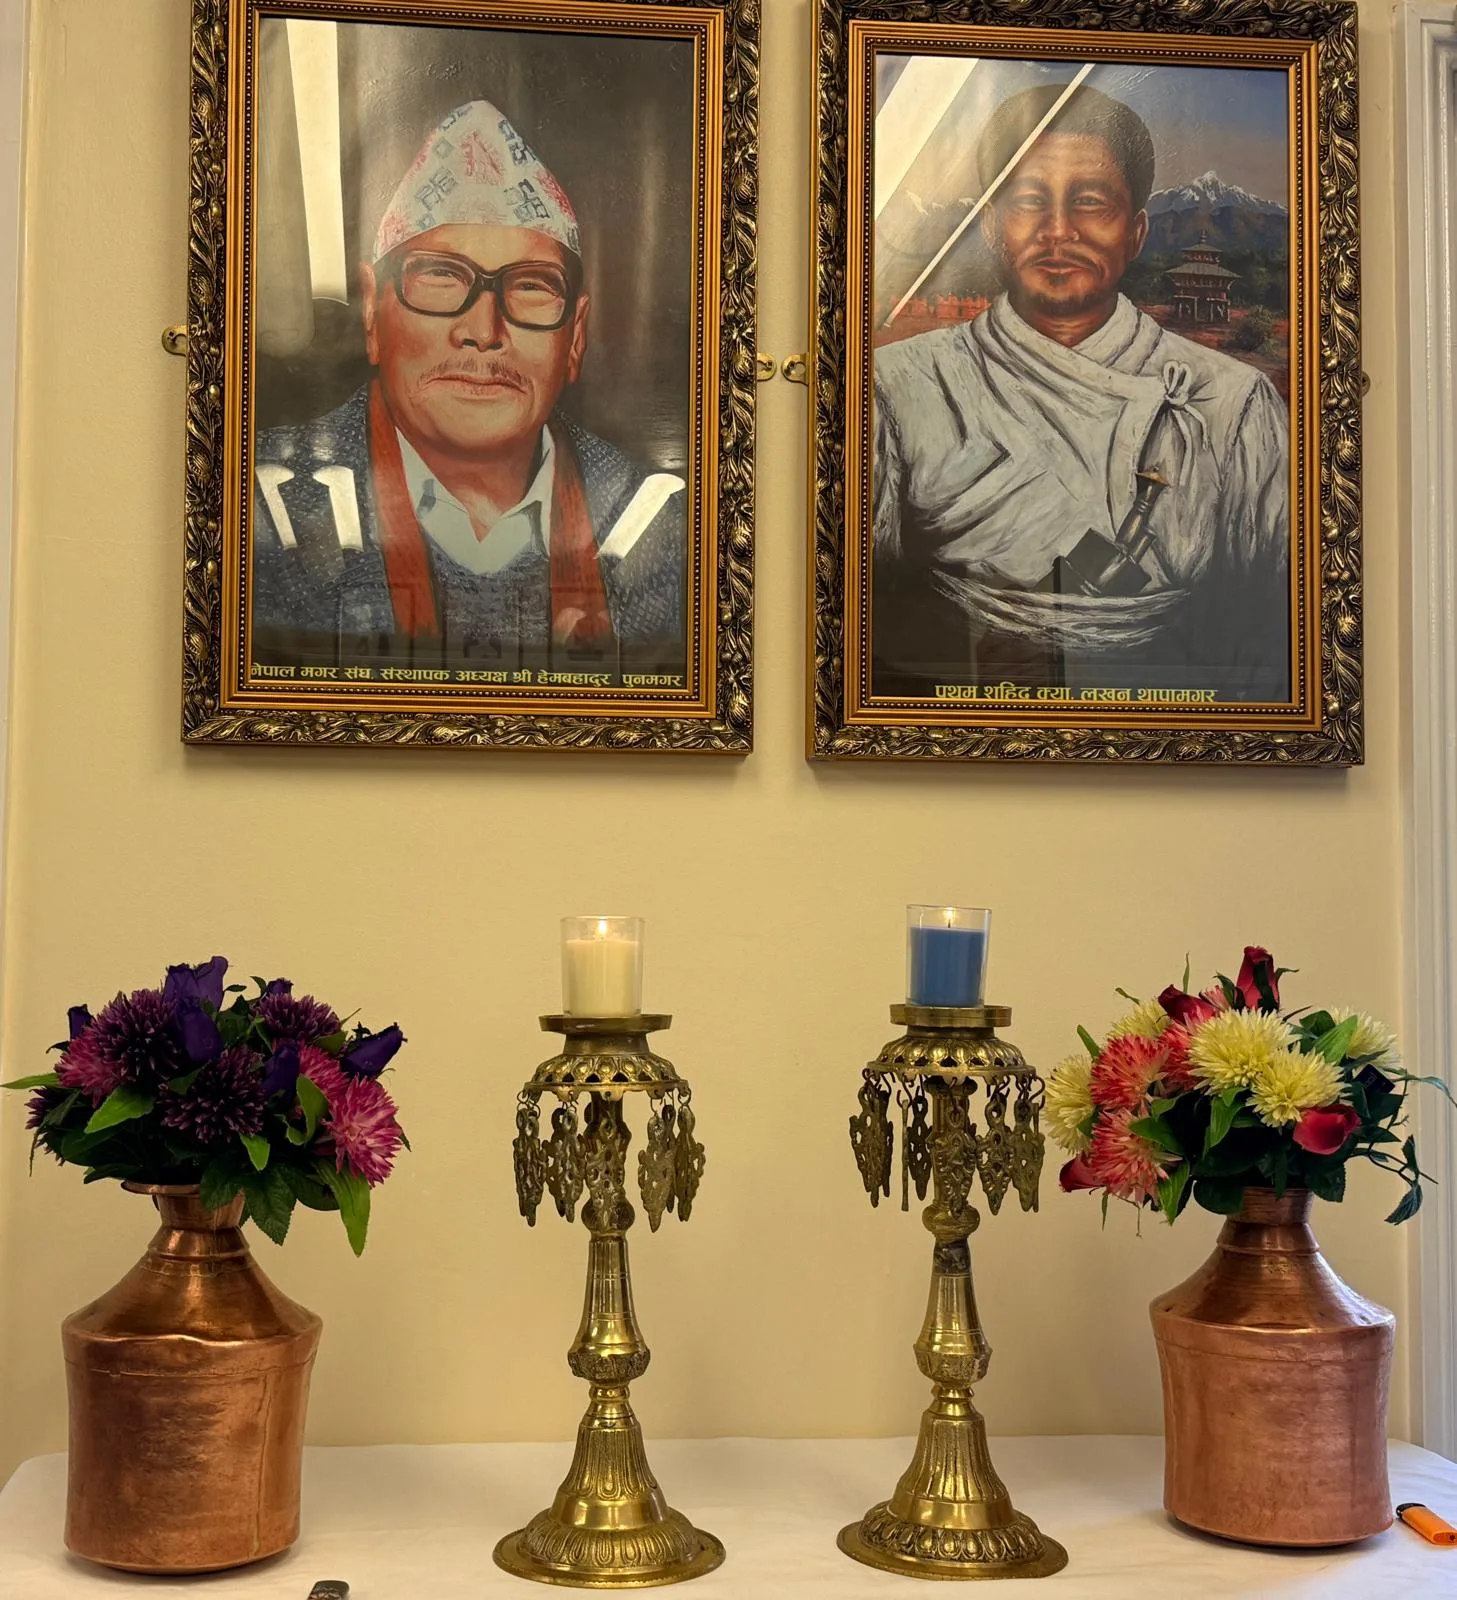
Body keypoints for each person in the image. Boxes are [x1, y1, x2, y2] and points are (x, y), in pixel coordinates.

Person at [872, 84, 1291, 700]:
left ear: (1137, 232)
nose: (1058, 231)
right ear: (990, 225)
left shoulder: (1232, 402)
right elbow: (869, 613)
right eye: (1029, 201)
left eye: (1091, 202)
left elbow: (1266, 629)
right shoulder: (901, 384)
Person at [251, 100, 685, 676]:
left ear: (576, 336)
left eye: (531, 286)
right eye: (440, 275)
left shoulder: (663, 526)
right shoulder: (261, 502)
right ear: (372, 314)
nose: (483, 331)